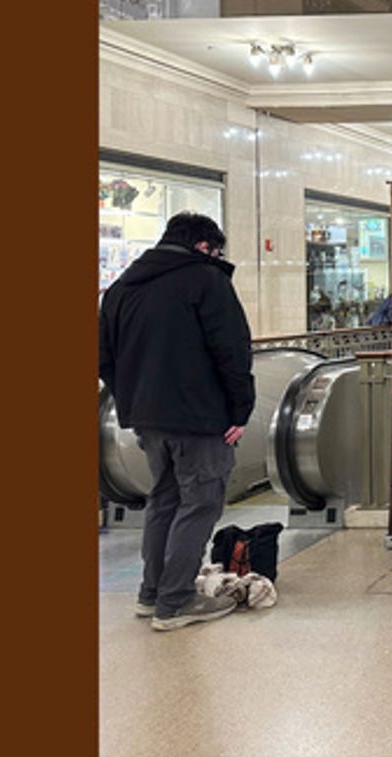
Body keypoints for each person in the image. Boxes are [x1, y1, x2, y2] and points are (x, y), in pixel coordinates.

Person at [99, 212, 256, 632]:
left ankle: (150, 595)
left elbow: (103, 358)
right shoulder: (206, 281)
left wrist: (132, 401)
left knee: (164, 501)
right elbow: (232, 351)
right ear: (204, 247)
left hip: (149, 421)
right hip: (202, 419)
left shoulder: (120, 289)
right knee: (200, 503)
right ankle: (176, 601)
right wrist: (240, 410)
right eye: (216, 251)